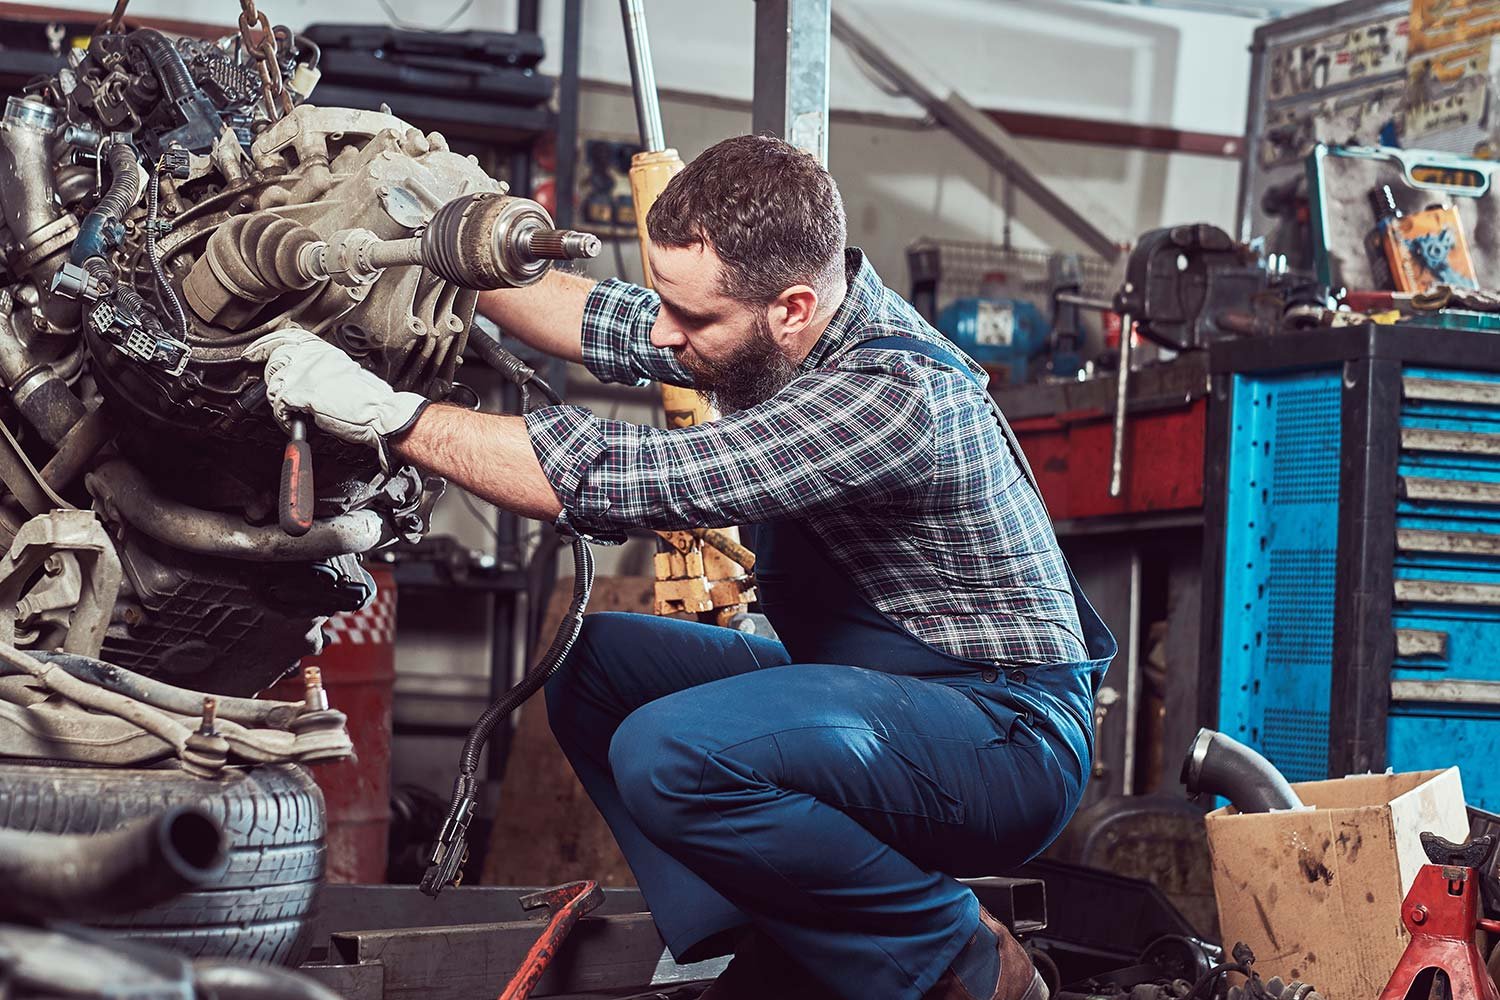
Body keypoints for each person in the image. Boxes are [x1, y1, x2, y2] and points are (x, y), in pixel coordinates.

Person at [246, 134, 1114, 1000]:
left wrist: (386, 415)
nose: (668, 334)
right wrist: (442, 253)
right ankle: (762, 930)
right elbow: (598, 316)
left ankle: (964, 960)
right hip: (886, 686)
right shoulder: (775, 328)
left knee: (672, 755)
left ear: (792, 307)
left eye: (693, 319)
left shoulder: (888, 394)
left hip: (1003, 736)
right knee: (591, 666)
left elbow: (625, 477)